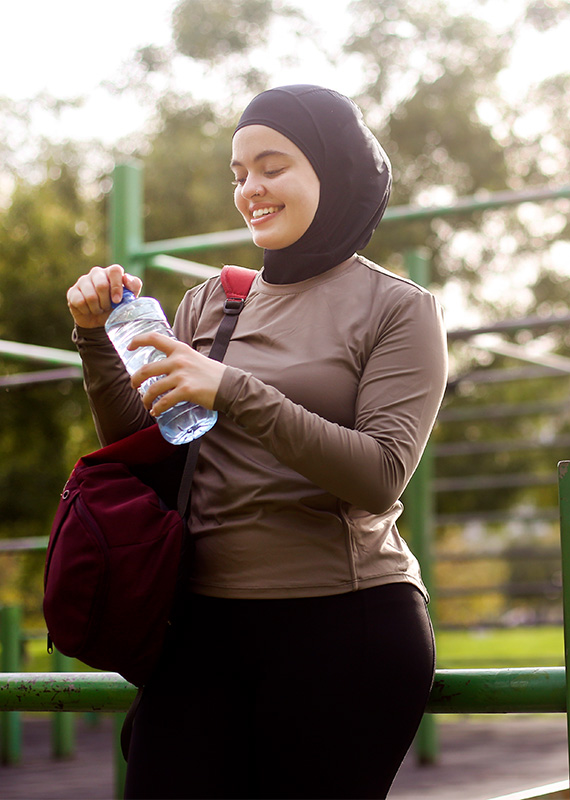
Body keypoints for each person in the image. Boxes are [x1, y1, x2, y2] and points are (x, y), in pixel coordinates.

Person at [66, 84, 449, 799]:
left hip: (345, 627)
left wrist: (231, 390)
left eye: (272, 166)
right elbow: (153, 450)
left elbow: (380, 475)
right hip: (200, 628)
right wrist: (95, 338)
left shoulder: (397, 308)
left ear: (330, 171)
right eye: (239, 174)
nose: (250, 190)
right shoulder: (212, 301)